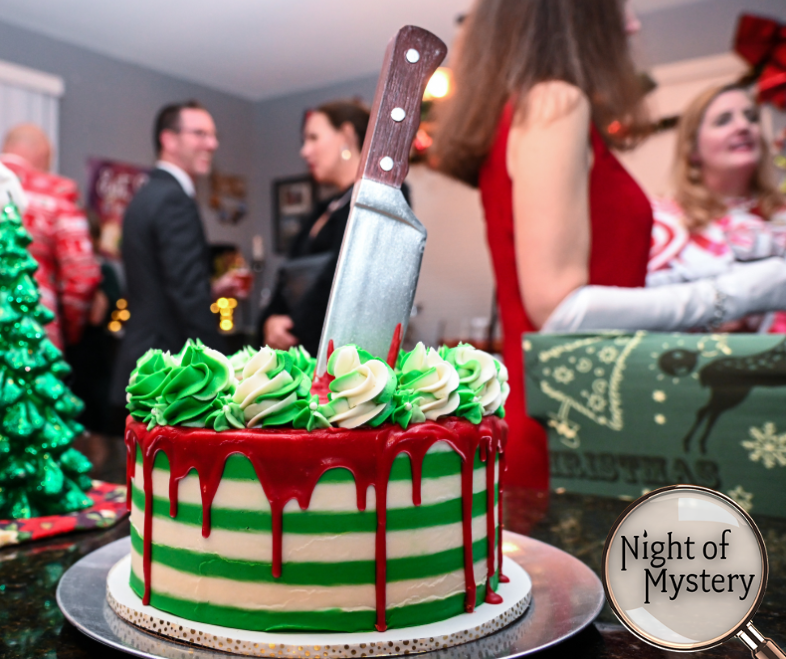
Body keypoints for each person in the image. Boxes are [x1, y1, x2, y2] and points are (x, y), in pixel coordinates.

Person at [433, 0, 786, 489]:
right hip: (568, 429)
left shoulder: (533, 107)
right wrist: (751, 288)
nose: (633, 23)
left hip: (573, 415)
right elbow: (559, 309)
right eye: (619, 7)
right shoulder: (555, 101)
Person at [109, 101, 247, 414]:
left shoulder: (146, 195)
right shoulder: (173, 199)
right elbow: (187, 298)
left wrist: (209, 290)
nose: (212, 144)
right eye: (200, 134)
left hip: (142, 365)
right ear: (169, 140)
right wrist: (223, 370)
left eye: (213, 135)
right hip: (165, 375)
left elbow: (162, 285)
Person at [647, 84, 786, 331]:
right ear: (692, 149)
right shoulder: (666, 223)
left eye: (751, 117)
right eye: (723, 121)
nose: (744, 126)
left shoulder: (780, 214)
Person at [259, 100, 370, 356]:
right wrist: (271, 320)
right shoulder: (323, 207)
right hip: (300, 356)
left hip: (342, 359)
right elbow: (286, 276)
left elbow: (344, 278)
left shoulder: (377, 200)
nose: (304, 151)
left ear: (346, 135)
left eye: (313, 138)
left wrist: (293, 328)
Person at [0, 124, 101, 349]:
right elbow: (81, 276)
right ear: (43, 156)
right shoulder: (57, 192)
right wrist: (70, 331)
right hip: (33, 331)